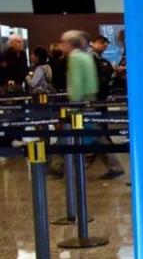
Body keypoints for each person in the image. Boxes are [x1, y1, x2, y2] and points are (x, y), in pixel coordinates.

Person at [51, 30, 124, 180]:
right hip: (90, 99)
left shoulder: (75, 58)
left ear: (70, 44)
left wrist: (74, 103)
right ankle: (114, 166)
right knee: (95, 135)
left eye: (63, 43)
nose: (61, 45)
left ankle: (58, 167)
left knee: (71, 134)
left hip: (80, 102)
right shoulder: (86, 56)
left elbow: (76, 82)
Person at [89, 34, 115, 100]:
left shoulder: (102, 59)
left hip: (101, 92)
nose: (105, 44)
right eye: (101, 42)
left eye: (106, 43)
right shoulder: (88, 56)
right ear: (91, 43)